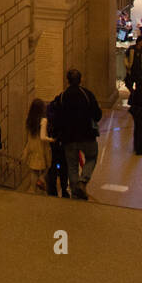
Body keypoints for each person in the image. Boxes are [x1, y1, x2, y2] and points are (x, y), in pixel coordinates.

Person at [48, 69, 102, 200]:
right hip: (87, 135)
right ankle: (83, 181)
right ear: (81, 80)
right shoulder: (87, 94)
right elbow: (97, 115)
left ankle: (74, 191)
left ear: (67, 81)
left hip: (69, 138)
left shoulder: (62, 97)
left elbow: (56, 118)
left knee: (72, 164)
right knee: (91, 157)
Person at [21, 98, 53, 192]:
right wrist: (51, 139)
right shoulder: (43, 120)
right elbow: (43, 137)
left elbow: (26, 135)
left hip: (32, 146)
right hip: (41, 147)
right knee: (47, 167)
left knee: (33, 171)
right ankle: (41, 180)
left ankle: (33, 191)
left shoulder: (29, 119)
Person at [44, 95, 70, 199]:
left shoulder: (50, 110)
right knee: (64, 168)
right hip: (63, 144)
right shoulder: (65, 112)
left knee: (52, 166)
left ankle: (52, 190)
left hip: (52, 143)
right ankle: (64, 190)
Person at [128, 81, 142, 155]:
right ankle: (139, 149)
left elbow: (129, 102)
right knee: (141, 131)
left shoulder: (134, 93)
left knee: (136, 129)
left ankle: (135, 146)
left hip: (135, 113)